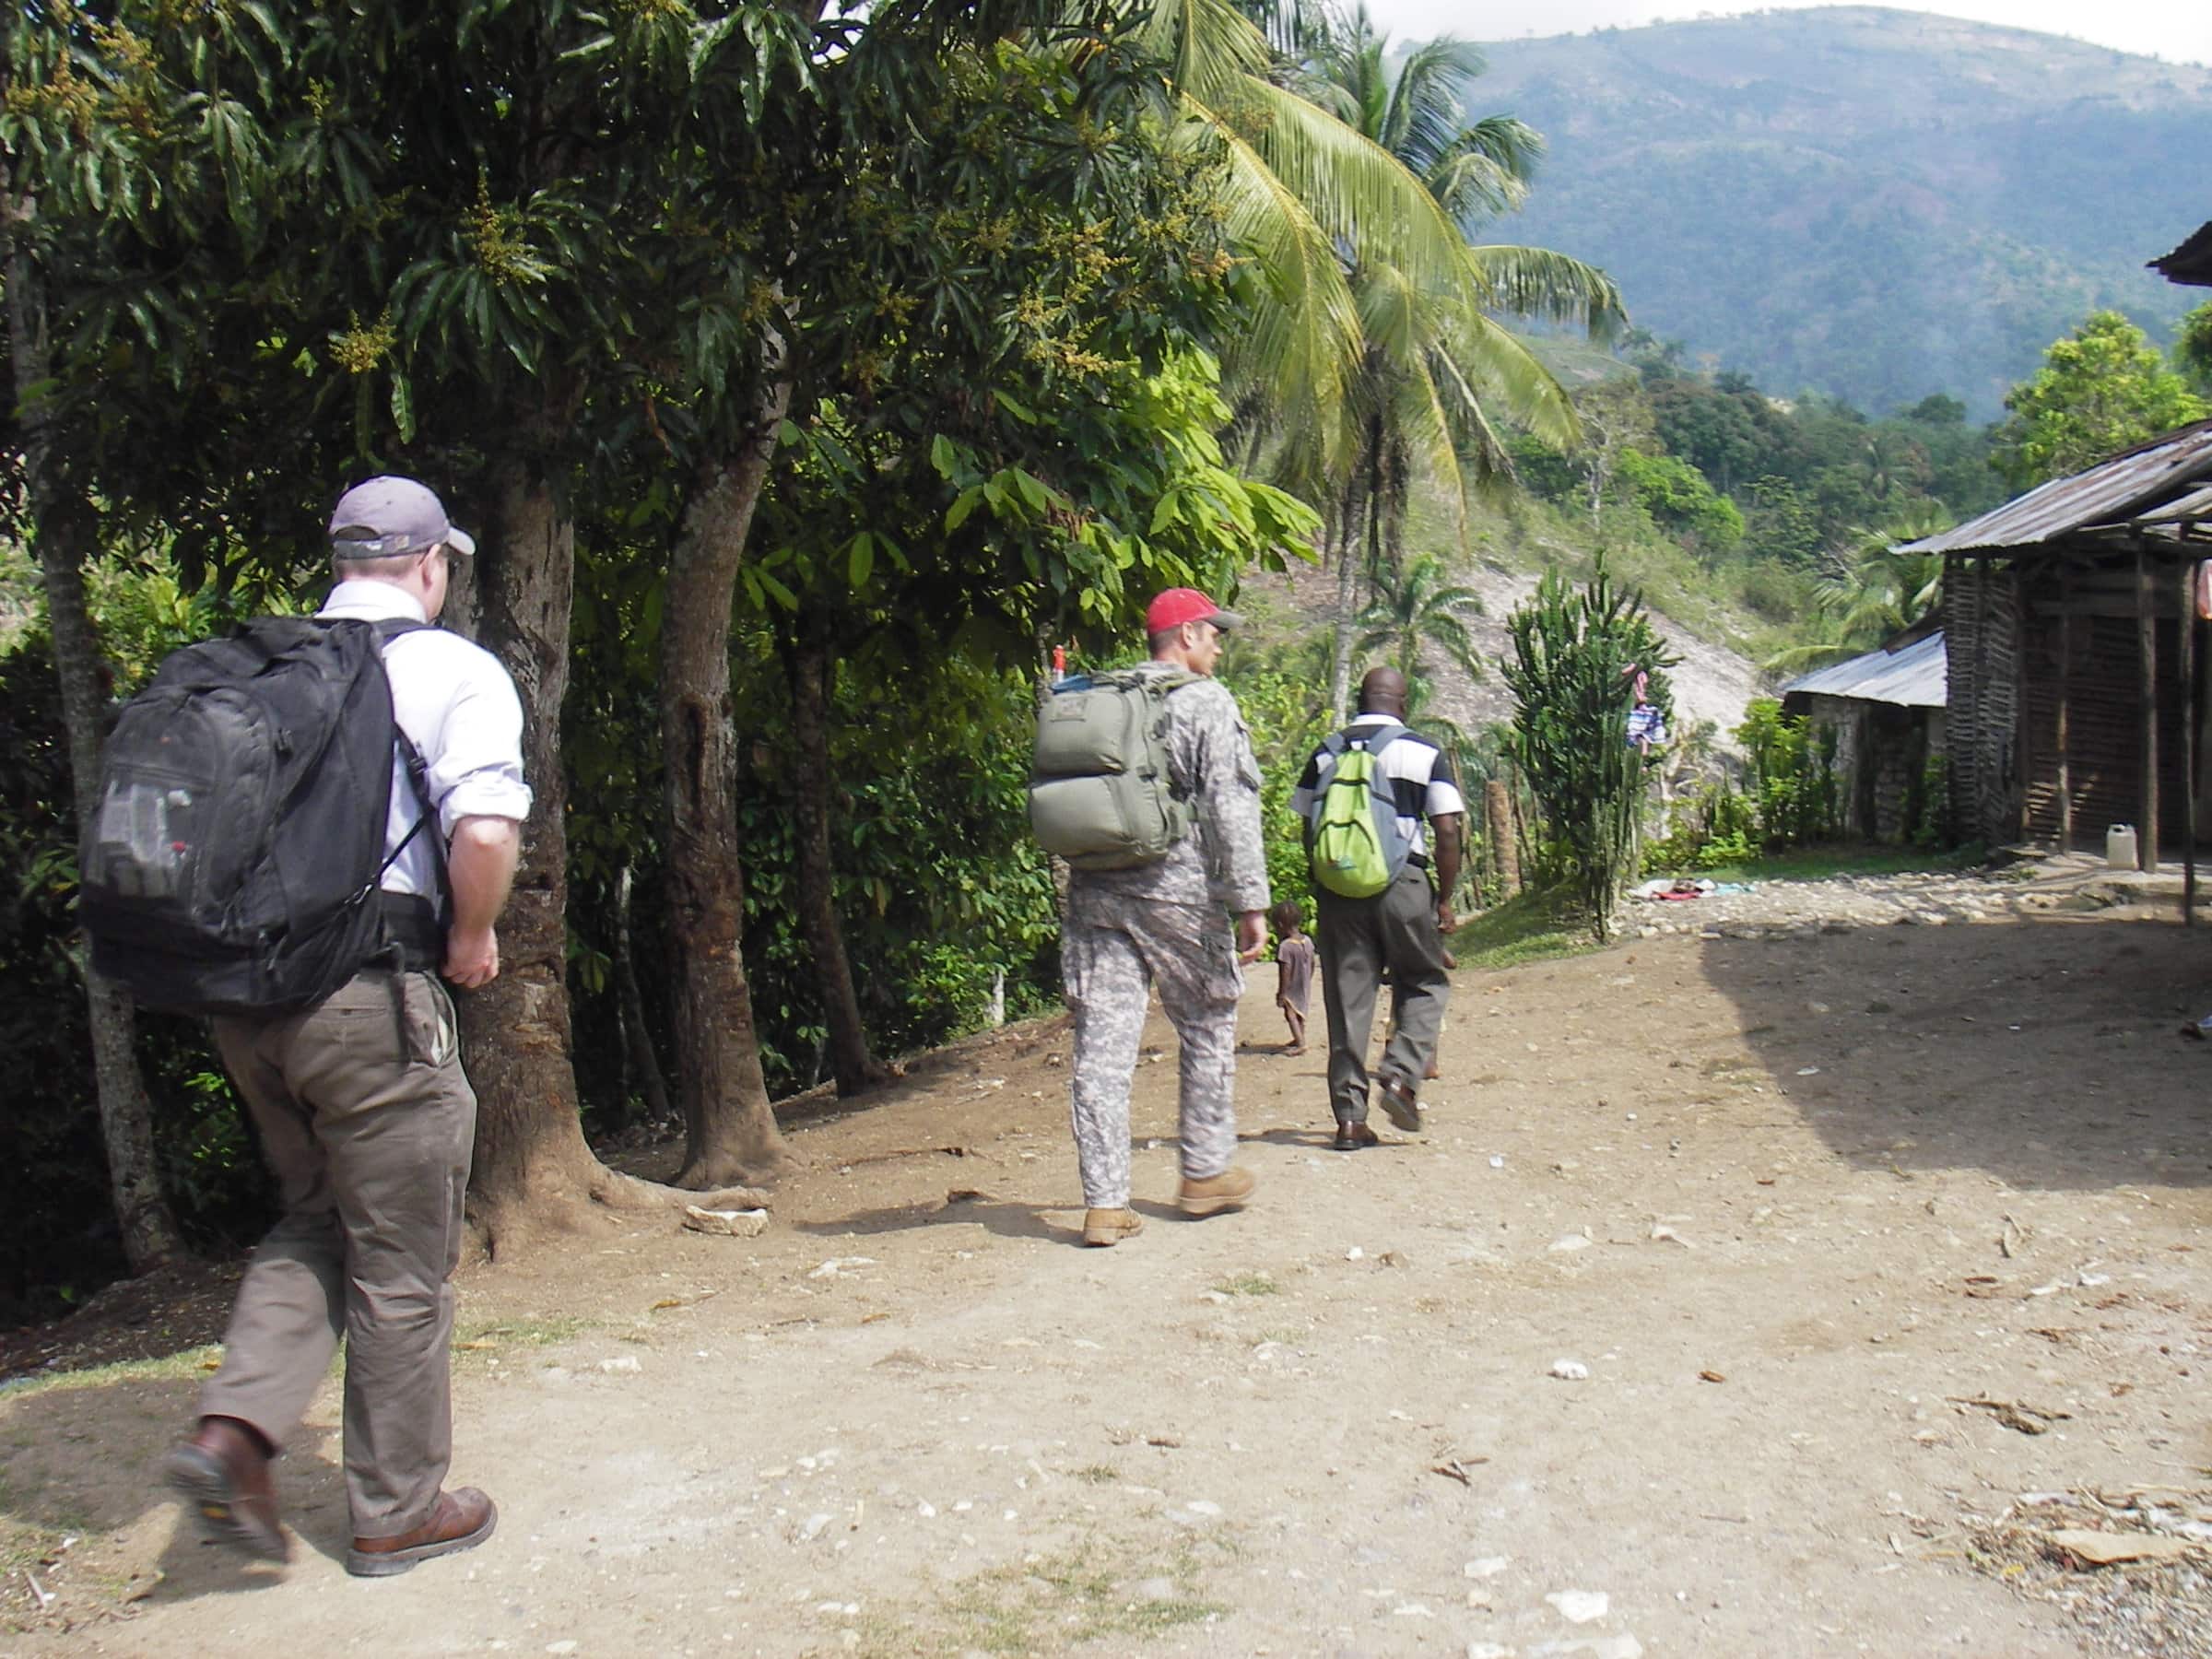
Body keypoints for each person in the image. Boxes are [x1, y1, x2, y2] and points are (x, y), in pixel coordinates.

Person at [164, 477, 532, 1577]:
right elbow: (484, 827)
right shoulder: (451, 670)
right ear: (430, 566)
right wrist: (472, 936)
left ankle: (231, 1437)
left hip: (250, 1006)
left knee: (317, 1216)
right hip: (370, 998)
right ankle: (397, 1508)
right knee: (403, 1263)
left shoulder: (268, 673)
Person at [1062, 588, 1270, 1247]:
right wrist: (1251, 901)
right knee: (1207, 1019)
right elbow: (1230, 808)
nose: (1217, 645)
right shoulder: (1204, 700)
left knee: (1102, 1046)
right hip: (1177, 892)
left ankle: (1103, 1204)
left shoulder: (1099, 697)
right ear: (1183, 637)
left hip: (1094, 892)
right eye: (1212, 634)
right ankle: (1205, 1171)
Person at [1292, 665, 1465, 1150]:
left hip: (1339, 891)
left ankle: (1349, 1119)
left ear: (1360, 700)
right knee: (1425, 981)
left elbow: (1308, 827)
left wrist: (1328, 879)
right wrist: (1444, 899)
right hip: (1404, 884)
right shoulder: (1424, 750)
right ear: (1403, 702)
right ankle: (1401, 1076)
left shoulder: (1327, 750)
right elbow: (1447, 830)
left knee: (1348, 1003)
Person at [1271, 899, 1315, 1055]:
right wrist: (1308, 978)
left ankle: (1301, 1044)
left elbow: (1285, 971)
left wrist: (1282, 992)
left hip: (1291, 987)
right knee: (1300, 1012)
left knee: (1290, 1014)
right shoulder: (1308, 941)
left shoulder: (1285, 946)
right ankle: (1299, 1037)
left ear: (1280, 925)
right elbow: (1312, 963)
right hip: (1304, 984)